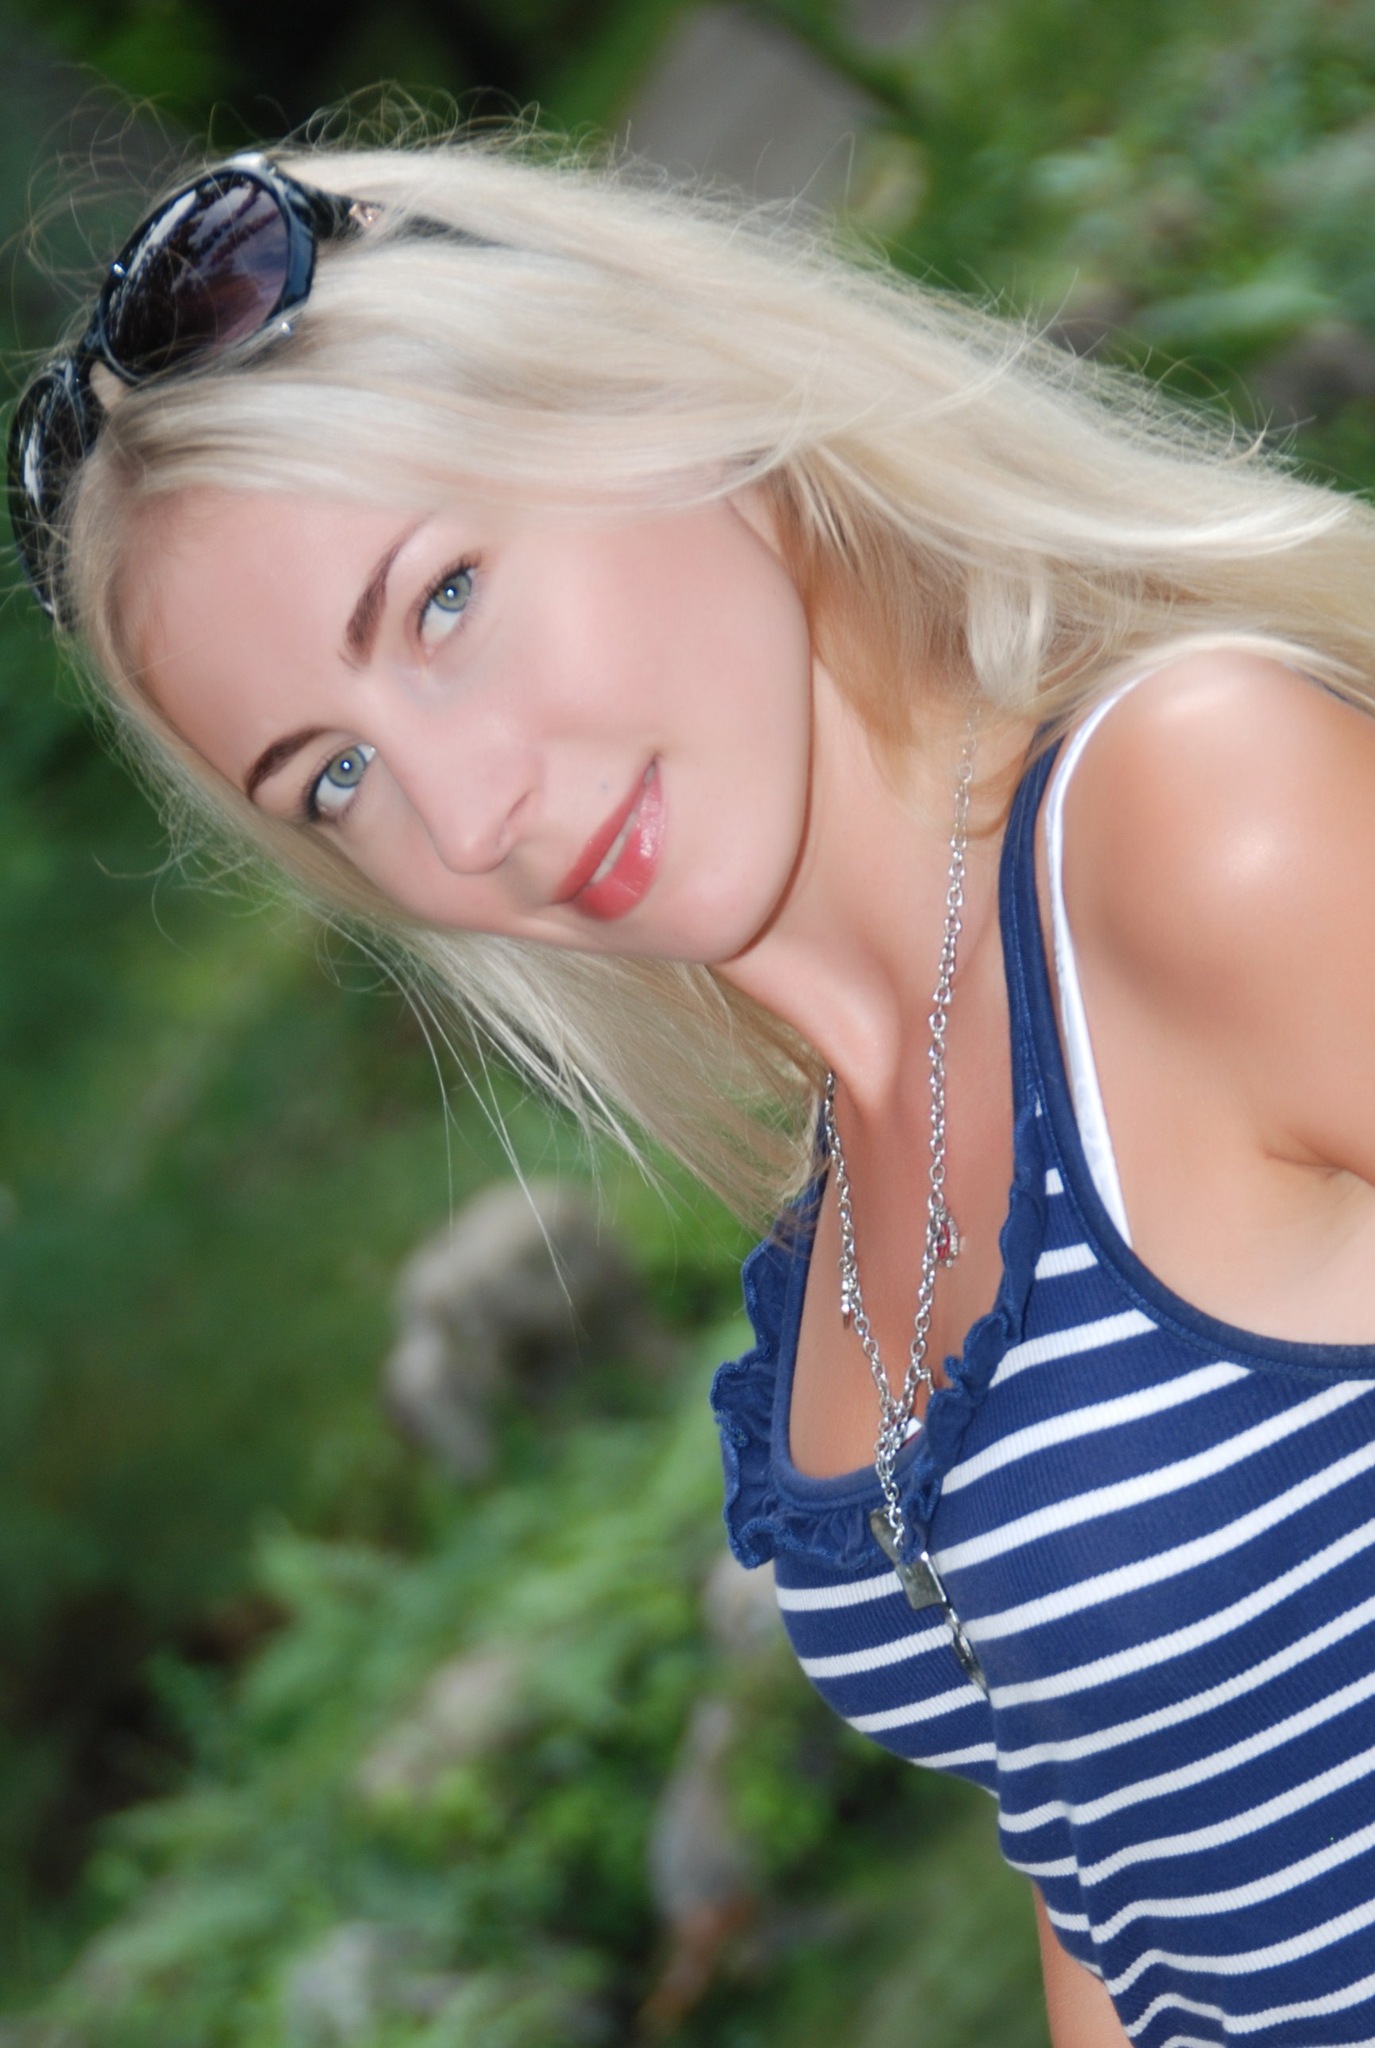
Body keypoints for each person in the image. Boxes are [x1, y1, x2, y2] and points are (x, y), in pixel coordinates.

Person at [11, 138, 1375, 2048]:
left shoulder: (1191, 829)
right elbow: (1120, 1871)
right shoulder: (848, 1182)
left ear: (656, 407)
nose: (464, 816)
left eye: (444, 599)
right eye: (334, 777)